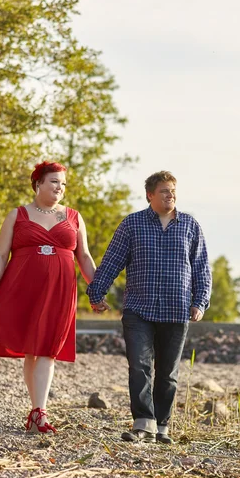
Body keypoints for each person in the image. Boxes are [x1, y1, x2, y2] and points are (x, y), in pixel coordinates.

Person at [87, 171, 212, 444]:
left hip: (177, 309)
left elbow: (202, 268)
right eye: (165, 191)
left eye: (173, 191)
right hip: (138, 308)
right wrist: (96, 293)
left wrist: (200, 302)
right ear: (150, 195)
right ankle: (143, 424)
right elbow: (112, 262)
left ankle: (162, 426)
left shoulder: (190, 226)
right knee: (139, 366)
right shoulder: (132, 224)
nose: (171, 196)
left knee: (168, 373)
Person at [0, 161, 102, 434]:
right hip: (21, 288)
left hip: (60, 290)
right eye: (54, 182)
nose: (60, 188)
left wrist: (97, 290)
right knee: (32, 352)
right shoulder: (17, 215)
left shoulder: (73, 216)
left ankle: (39, 413)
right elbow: (1, 256)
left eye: (63, 184)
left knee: (48, 348)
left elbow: (84, 256)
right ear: (38, 184)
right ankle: (36, 410)